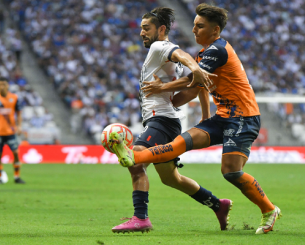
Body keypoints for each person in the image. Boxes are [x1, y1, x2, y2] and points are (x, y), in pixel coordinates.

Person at [110, 3, 281, 235]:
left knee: (230, 171)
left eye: (200, 26)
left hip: (243, 117)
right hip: (222, 116)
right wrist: (204, 114)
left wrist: (162, 88)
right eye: (193, 25)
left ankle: (269, 209)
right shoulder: (204, 52)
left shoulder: (217, 50)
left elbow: (196, 78)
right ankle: (135, 157)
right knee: (177, 147)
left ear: (216, 30)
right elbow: (196, 84)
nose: (194, 30)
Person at [111, 7, 232, 234]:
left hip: (162, 121)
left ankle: (140, 218)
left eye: (146, 28)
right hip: (167, 120)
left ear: (162, 29)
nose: (142, 33)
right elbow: (198, 87)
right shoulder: (168, 61)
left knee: (137, 162)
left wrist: (195, 67)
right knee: (171, 179)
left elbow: (182, 56)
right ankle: (218, 205)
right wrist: (205, 115)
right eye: (141, 29)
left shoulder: (160, 46)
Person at [0, 77, 25, 184]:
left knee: (16, 152)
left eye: (4, 84)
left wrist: (19, 126)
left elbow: (19, 113)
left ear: (8, 85)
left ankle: (17, 177)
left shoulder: (14, 98)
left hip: (11, 131)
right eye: (0, 84)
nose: (2, 87)